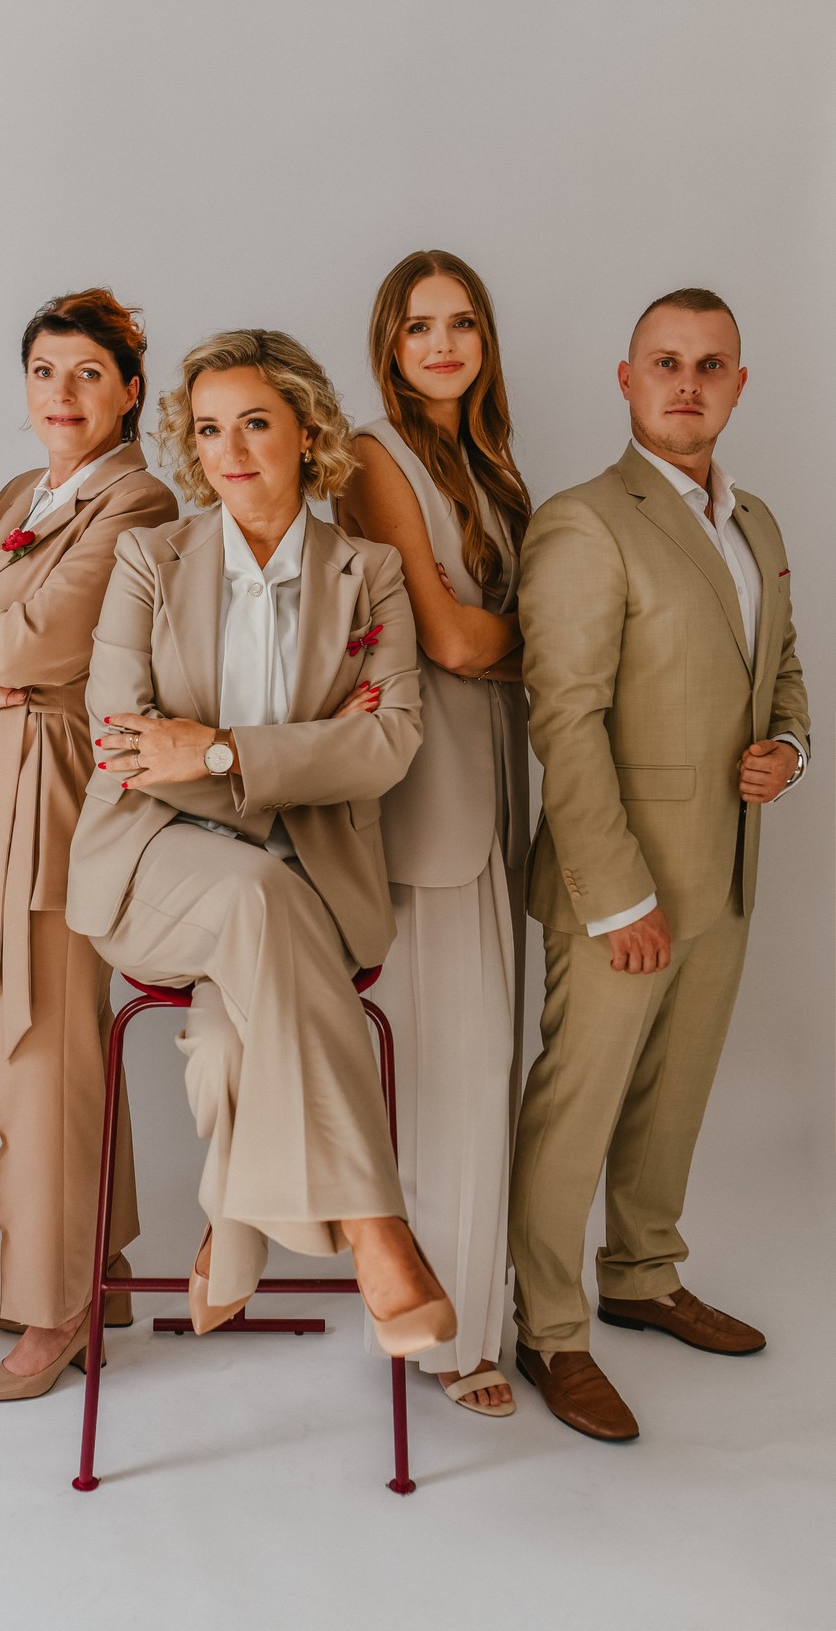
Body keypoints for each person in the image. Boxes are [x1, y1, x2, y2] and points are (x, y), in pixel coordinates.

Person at [65, 328, 456, 1356]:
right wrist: (305, 753)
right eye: (207, 430)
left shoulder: (369, 574)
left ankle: (231, 1232)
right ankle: (377, 1230)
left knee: (227, 1047)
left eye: (254, 423)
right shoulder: (152, 560)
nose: (229, 451)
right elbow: (124, 747)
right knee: (253, 893)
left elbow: (390, 746)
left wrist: (216, 750)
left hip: (309, 888)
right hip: (154, 866)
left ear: (306, 431)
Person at [509, 288, 810, 1440]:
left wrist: (789, 750)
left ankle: (642, 1276)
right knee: (578, 1109)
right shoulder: (585, 522)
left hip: (726, 871)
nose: (689, 382)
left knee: (673, 1098)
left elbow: (784, 672)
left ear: (739, 385)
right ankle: (550, 1329)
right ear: (627, 379)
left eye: (711, 364)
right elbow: (565, 719)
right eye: (666, 362)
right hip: (619, 886)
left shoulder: (759, 524)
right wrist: (616, 895)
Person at [0, 289, 177, 1400]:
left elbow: (38, 642)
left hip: (58, 796)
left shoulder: (139, 499)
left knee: (43, 1046)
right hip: (0, 788)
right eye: (43, 372)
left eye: (86, 374)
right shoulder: (24, 492)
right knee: (57, 1041)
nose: (61, 394)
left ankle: (53, 1304)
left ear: (129, 392)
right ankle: (97, 1266)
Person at [335, 250, 531, 1414]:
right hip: (426, 790)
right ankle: (447, 1340)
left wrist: (501, 636)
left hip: (495, 780)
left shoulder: (488, 460)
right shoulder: (376, 453)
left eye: (462, 324)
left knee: (487, 1059)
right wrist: (545, 634)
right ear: (391, 345)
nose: (445, 345)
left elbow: (476, 631)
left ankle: (475, 1306)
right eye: (421, 327)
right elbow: (451, 640)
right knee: (448, 1062)